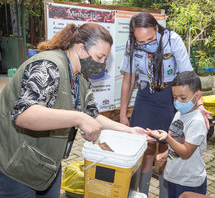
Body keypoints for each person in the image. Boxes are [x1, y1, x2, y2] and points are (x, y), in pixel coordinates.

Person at [0, 23, 148, 198]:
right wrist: (78, 118)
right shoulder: (48, 66)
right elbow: (24, 114)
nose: (102, 64)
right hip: (17, 168)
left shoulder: (81, 78)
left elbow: (93, 116)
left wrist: (129, 131)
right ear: (80, 49)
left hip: (47, 166)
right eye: (99, 57)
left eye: (104, 59)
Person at [120, 12, 210, 197]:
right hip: (146, 97)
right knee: (146, 147)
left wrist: (199, 106)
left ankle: (165, 193)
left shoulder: (172, 39)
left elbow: (187, 74)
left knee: (168, 150)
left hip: (170, 97)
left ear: (157, 28)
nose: (147, 45)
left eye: (150, 39)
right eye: (141, 42)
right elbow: (128, 80)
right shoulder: (131, 44)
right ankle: (141, 193)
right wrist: (122, 115)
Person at [147, 71, 208, 198]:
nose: (178, 102)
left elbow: (186, 152)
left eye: (183, 98)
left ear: (197, 96)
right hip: (174, 177)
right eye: (174, 97)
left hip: (189, 182)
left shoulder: (196, 122)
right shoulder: (179, 113)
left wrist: (167, 138)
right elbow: (179, 142)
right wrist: (165, 154)